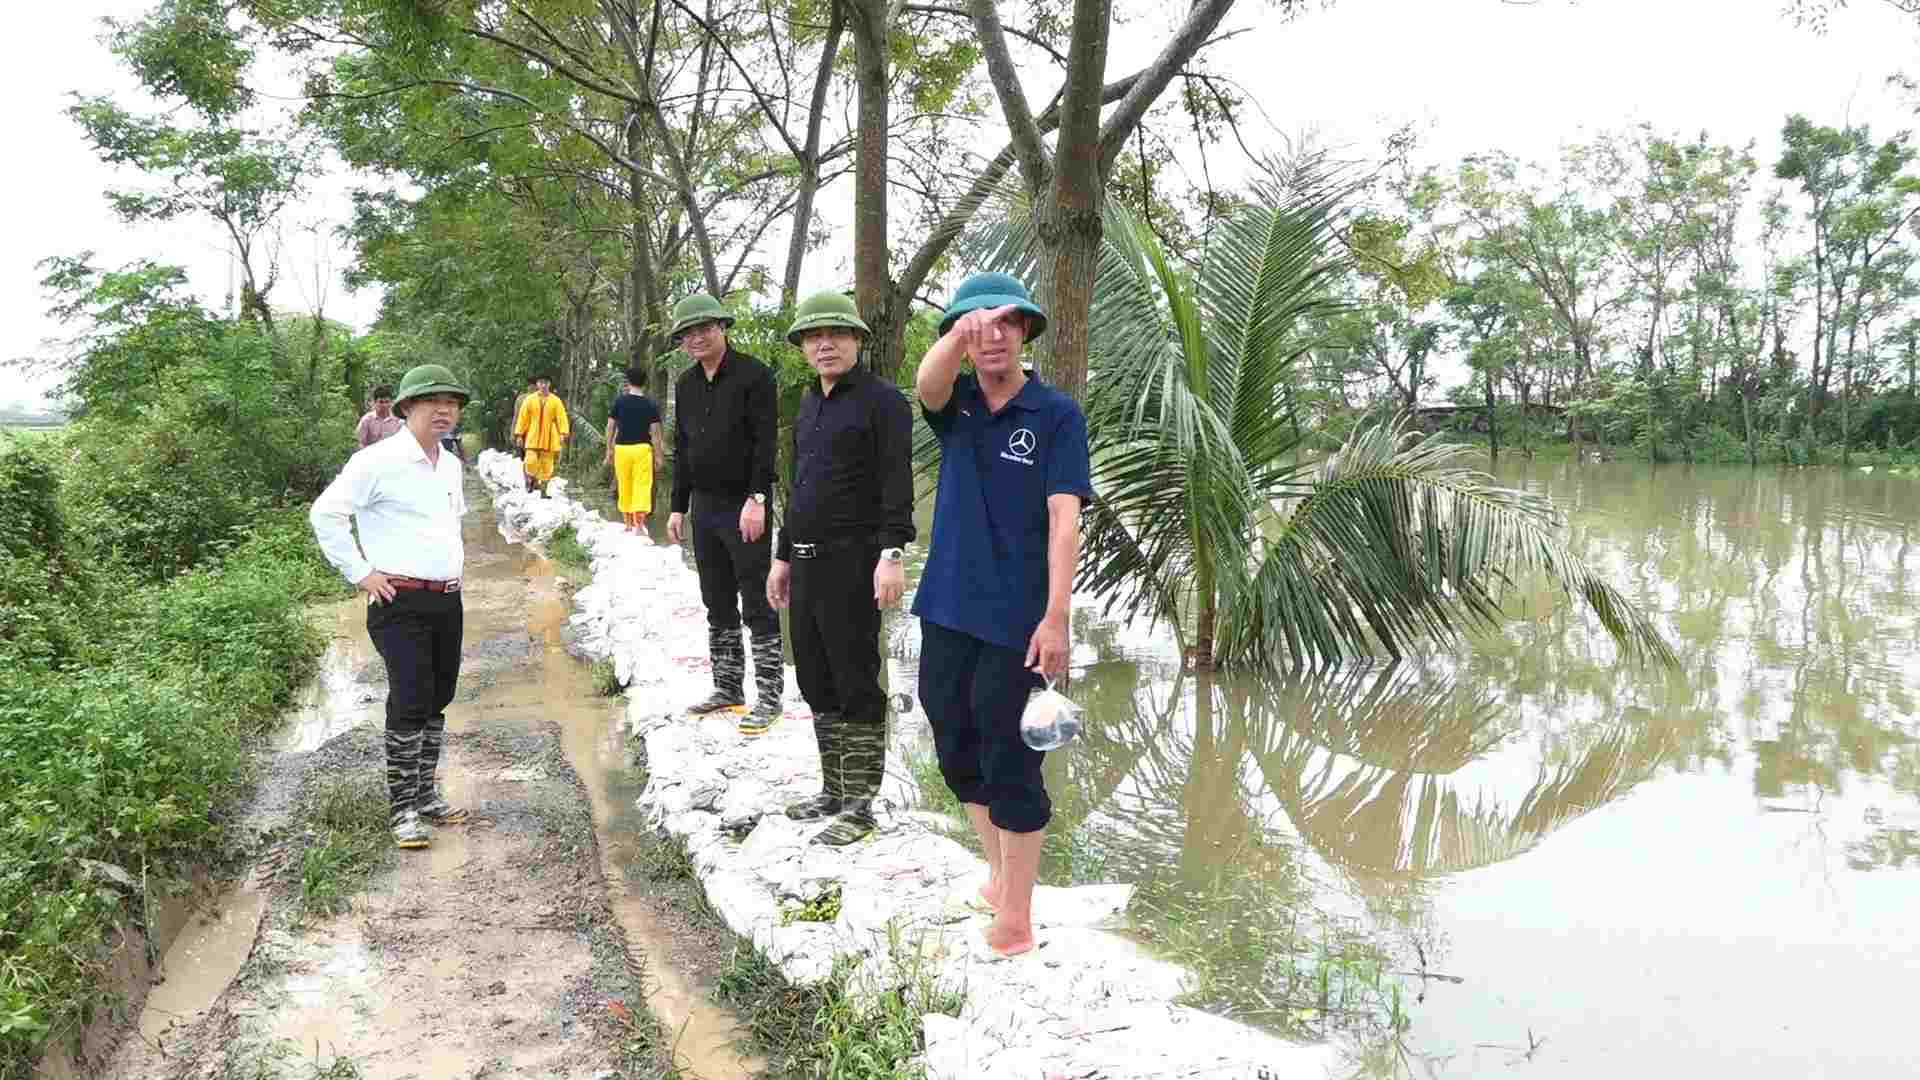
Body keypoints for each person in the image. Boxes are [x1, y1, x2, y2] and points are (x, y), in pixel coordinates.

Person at [912, 272, 1090, 956]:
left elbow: (1063, 518)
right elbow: (926, 385)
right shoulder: (954, 403)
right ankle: (998, 874)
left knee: (1010, 758)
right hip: (946, 606)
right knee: (954, 746)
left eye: (1006, 324)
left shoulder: (1054, 414)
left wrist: (1056, 617)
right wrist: (960, 330)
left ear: (1025, 334)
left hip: (1017, 620)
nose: (992, 336)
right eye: (978, 326)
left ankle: (1016, 918)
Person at [765, 292, 914, 846]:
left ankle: (861, 803)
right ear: (803, 347)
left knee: (856, 680)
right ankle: (832, 788)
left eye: (836, 334)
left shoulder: (883, 402)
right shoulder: (808, 403)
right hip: (803, 566)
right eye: (813, 336)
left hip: (854, 565)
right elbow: (797, 487)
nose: (824, 344)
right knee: (815, 678)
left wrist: (892, 555)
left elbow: (896, 485)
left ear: (857, 340)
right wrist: (782, 557)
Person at [310, 363, 474, 851]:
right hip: (398, 600)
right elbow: (326, 513)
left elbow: (450, 526)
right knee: (410, 694)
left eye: (453, 403)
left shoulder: (449, 463)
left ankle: (425, 796)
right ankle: (402, 808)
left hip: (446, 598)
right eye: (433, 402)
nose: (445, 411)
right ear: (406, 409)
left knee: (438, 696)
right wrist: (361, 572)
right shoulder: (375, 462)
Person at [664, 293, 784, 732]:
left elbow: (764, 443)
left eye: (704, 329)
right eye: (688, 333)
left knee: (756, 597)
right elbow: (683, 449)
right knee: (715, 598)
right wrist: (678, 506)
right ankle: (728, 685)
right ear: (681, 342)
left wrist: (758, 498)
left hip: (745, 506)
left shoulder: (754, 375)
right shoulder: (685, 385)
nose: (697, 337)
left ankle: (769, 696)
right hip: (705, 507)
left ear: (722, 328)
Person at [605, 367, 665, 534]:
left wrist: (608, 449)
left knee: (624, 484)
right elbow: (656, 433)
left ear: (628, 382)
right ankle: (639, 526)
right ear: (645, 383)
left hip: (622, 449)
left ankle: (628, 525)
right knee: (642, 486)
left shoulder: (619, 401)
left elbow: (610, 427)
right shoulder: (650, 404)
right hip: (642, 450)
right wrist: (659, 456)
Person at [513, 374, 570, 494]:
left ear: (549, 384)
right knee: (530, 461)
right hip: (533, 435)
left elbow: (562, 417)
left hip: (550, 436)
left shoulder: (556, 401)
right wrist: (519, 435)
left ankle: (544, 491)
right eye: (540, 382)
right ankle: (532, 479)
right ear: (537, 384)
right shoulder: (529, 400)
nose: (543, 385)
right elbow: (523, 418)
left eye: (546, 382)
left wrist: (563, 433)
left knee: (547, 466)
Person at [355, 384, 404, 449]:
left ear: (391, 402)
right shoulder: (366, 420)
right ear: (374, 402)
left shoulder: (398, 421)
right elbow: (358, 442)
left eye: (387, 402)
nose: (384, 405)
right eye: (381, 402)